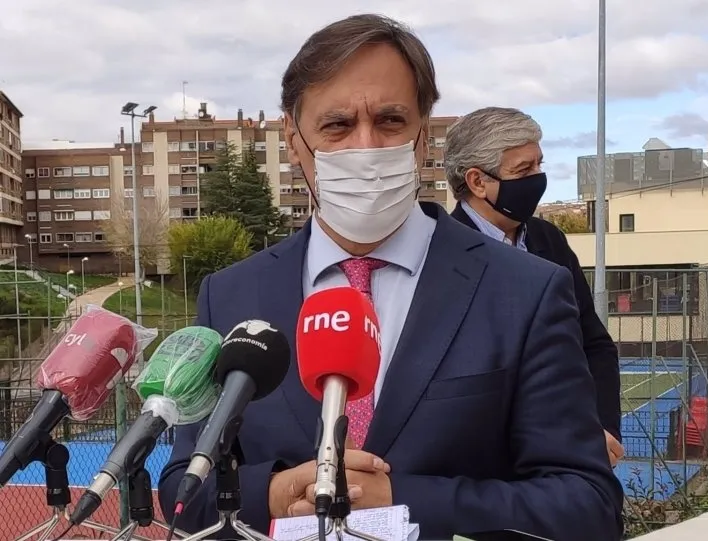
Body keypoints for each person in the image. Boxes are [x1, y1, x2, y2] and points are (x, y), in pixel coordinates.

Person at [159, 14, 623, 541]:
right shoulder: (231, 296)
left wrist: (401, 499)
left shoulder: (525, 291)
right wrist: (273, 493)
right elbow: (184, 492)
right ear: (294, 139)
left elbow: (587, 505)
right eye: (336, 126)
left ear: (423, 134)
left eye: (390, 121)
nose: (366, 146)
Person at [444, 107, 625, 466]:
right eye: (523, 170)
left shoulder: (550, 240)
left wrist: (603, 428)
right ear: (478, 181)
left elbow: (593, 344)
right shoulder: (439, 253)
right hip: (484, 468)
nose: (538, 179)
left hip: (568, 460)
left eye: (539, 165)